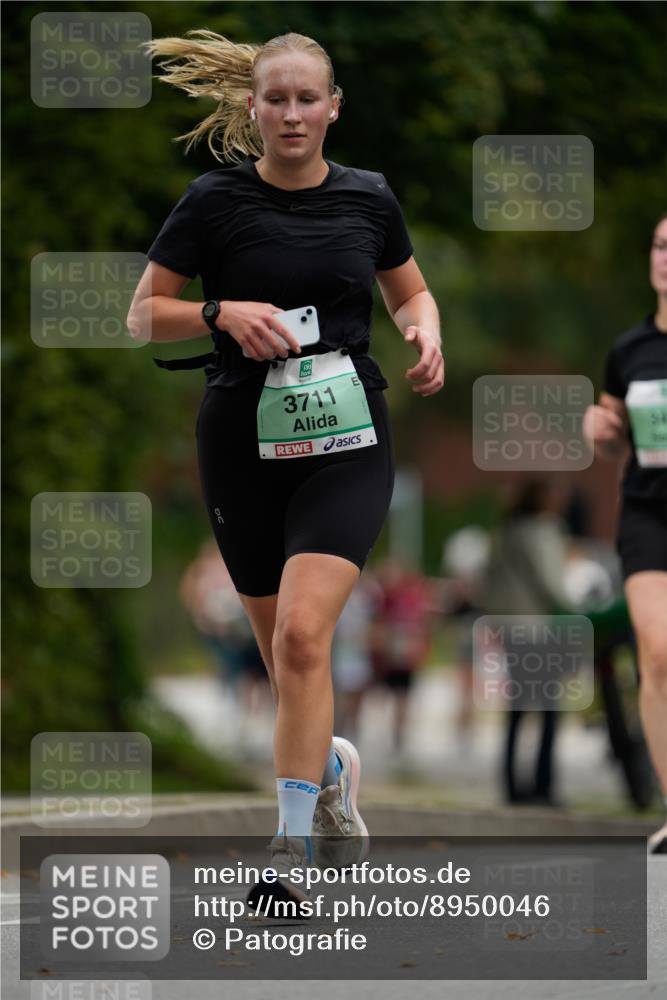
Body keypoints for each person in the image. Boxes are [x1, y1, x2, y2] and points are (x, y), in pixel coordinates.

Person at [127, 30, 444, 912]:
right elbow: (142, 316)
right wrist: (221, 310)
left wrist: (425, 327)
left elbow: (407, 289)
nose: (294, 113)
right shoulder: (213, 201)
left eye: (310, 98)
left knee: (305, 640)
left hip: (346, 437)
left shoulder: (369, 198)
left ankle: (287, 851)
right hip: (241, 442)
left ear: (333, 107)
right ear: (254, 109)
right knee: (280, 658)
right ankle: (331, 772)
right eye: (278, 99)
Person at [583, 213, 667, 853]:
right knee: (656, 652)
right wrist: (599, 429)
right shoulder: (629, 350)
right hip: (648, 512)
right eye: (661, 244)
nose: (666, 257)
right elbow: (610, 426)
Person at [482, 479, 574, 807]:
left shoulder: (505, 531)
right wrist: (578, 609)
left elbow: (489, 581)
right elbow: (551, 582)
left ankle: (510, 784)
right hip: (536, 628)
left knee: (518, 707)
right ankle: (544, 785)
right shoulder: (544, 529)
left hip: (509, 627)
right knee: (549, 707)